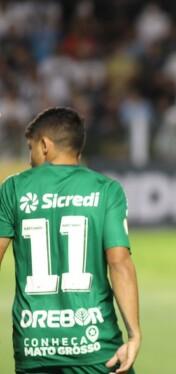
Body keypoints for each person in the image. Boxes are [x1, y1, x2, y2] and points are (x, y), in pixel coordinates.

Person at [0, 107, 141, 374]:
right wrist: (134, 334)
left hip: (34, 346)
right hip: (95, 344)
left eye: (30, 148)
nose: (30, 158)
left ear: (44, 146)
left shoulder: (13, 188)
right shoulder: (106, 189)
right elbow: (120, 263)